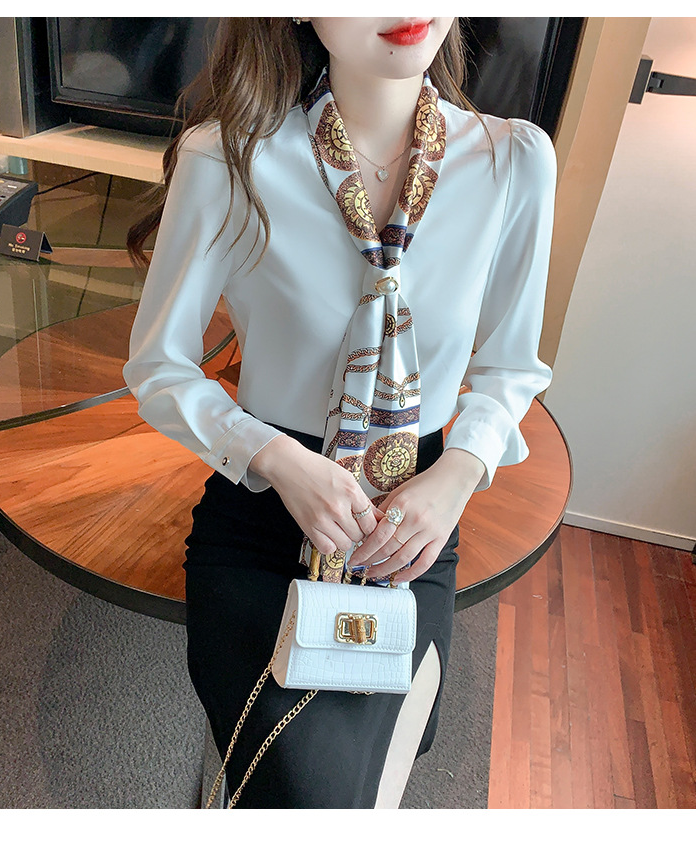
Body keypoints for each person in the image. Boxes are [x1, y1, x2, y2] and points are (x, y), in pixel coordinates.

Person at [124, 17, 556, 808]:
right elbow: (158, 366)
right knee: (307, 788)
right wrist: (277, 459)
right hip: (263, 522)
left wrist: (457, 476)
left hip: (410, 531)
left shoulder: (513, 162)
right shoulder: (228, 158)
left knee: (373, 772)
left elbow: (509, 367)